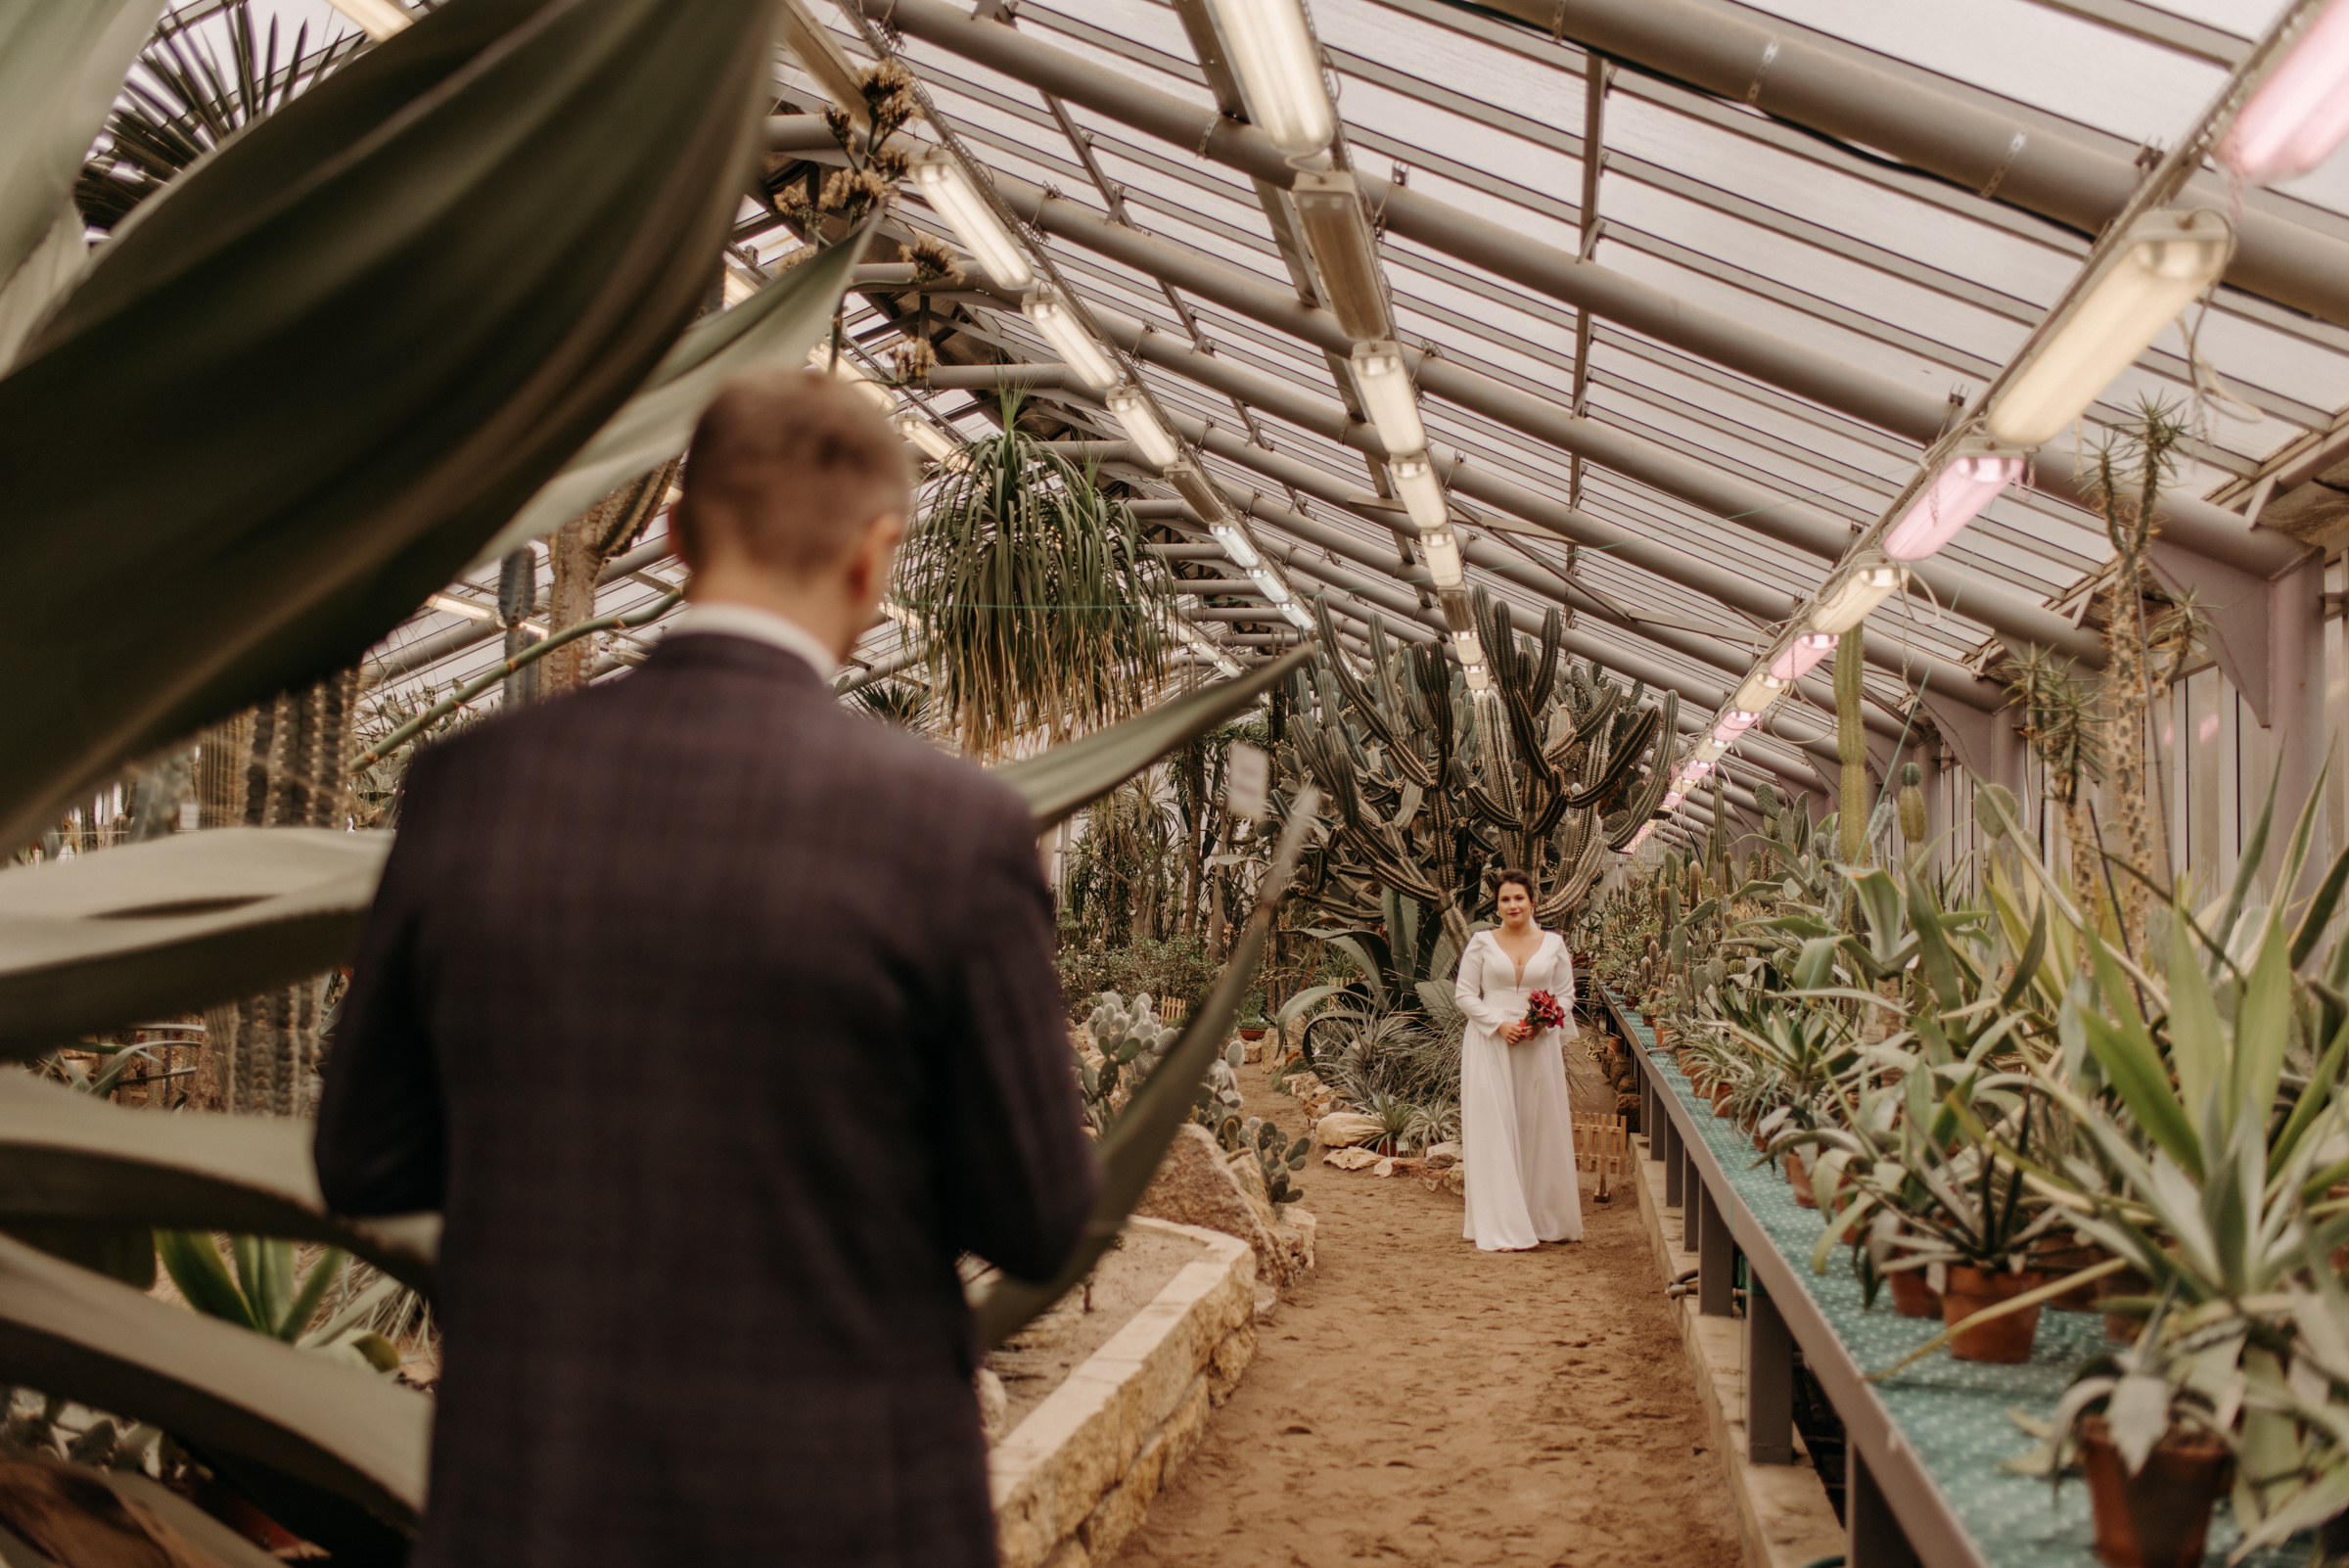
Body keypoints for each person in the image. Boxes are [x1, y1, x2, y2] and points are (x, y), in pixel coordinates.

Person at [315, 367, 1100, 1567]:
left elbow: (364, 1158)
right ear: (874, 556)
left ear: (675, 532)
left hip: (531, 1506)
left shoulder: (470, 788)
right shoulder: (949, 829)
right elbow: (1038, 1220)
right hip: (841, 1510)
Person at [1451, 868, 1583, 1252]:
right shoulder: (1481, 943)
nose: (1512, 905)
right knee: (1496, 1125)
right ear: (1497, 905)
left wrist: (1542, 1023)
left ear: (1532, 902)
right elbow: (1465, 995)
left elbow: (1566, 995)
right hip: (1491, 1044)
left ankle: (1545, 1219)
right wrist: (1498, 1025)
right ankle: (1503, 1224)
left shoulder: (1554, 944)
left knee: (1539, 1124)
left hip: (1537, 1046)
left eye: (1518, 898)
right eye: (1505, 899)